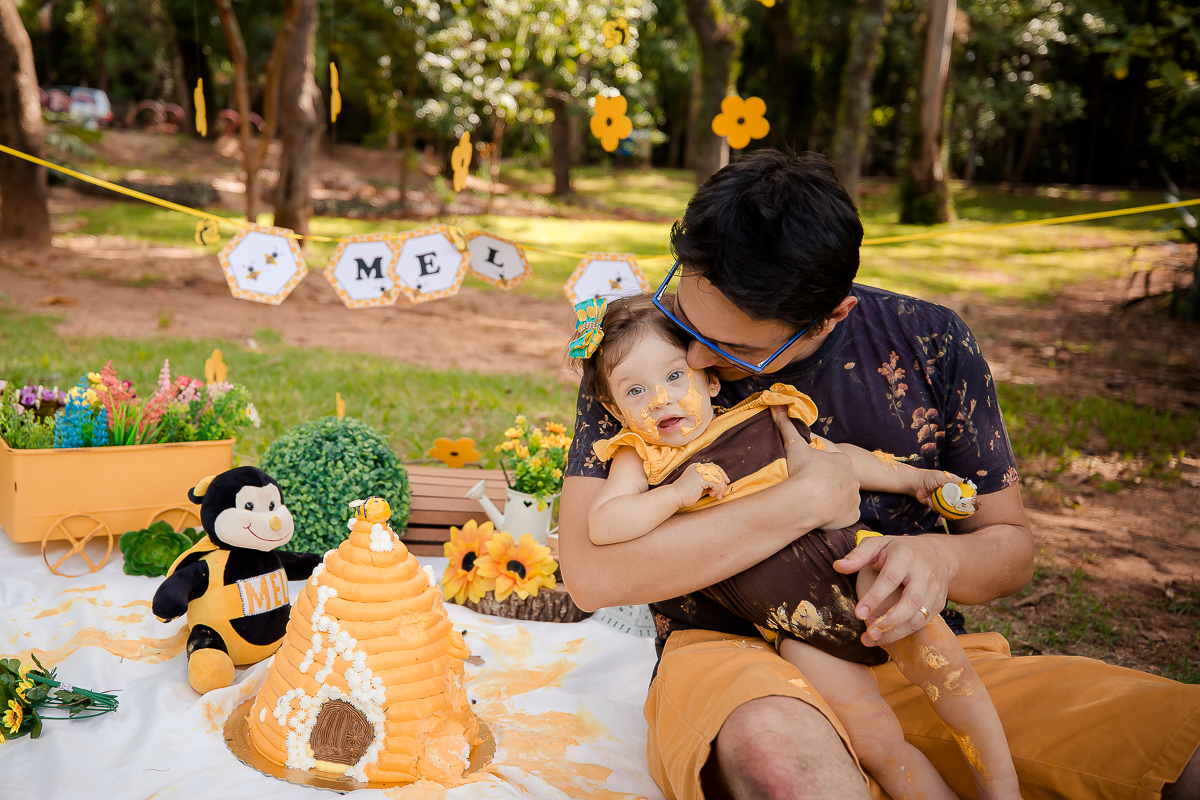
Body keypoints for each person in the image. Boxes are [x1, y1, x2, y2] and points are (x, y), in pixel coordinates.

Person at [557, 149, 1200, 800]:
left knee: (1177, 742)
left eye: (734, 350)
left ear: (832, 314)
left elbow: (1011, 549)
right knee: (779, 762)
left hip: (895, 639)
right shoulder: (641, 352)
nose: (693, 358)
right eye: (691, 320)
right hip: (735, 660)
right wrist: (807, 501)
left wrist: (937, 562)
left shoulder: (931, 342)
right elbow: (591, 574)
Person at [574, 293, 1021, 800]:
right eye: (636, 391)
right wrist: (676, 493)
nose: (661, 399)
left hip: (860, 569)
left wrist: (918, 480)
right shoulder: (643, 460)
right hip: (796, 631)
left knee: (951, 679)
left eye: (675, 377)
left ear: (710, 377)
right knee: (876, 741)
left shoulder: (765, 415)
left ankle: (1002, 788)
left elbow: (845, 461)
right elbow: (606, 523)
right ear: (613, 408)